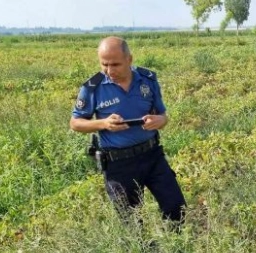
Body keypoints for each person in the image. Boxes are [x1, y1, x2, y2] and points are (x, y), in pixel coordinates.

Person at [70, 36, 186, 227]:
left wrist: (160, 120)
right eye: (104, 64)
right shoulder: (92, 87)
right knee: (132, 222)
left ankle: (175, 249)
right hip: (119, 163)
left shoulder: (147, 80)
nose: (109, 70)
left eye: (115, 64)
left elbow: (162, 115)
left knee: (176, 207)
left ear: (129, 60)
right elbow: (75, 123)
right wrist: (104, 124)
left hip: (152, 156)